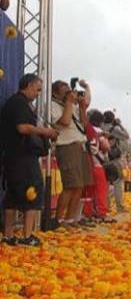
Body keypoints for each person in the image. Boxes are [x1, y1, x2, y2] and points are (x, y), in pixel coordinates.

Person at [1, 74, 59, 246]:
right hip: (23, 157)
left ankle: (9, 235)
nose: (38, 93)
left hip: (13, 156)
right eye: (38, 89)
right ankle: (27, 236)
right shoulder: (19, 103)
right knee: (33, 191)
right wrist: (45, 132)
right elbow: (22, 127)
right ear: (29, 85)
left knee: (12, 195)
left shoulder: (16, 103)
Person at [51, 79, 94, 228]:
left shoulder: (72, 105)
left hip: (80, 146)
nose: (69, 93)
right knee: (70, 185)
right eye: (65, 90)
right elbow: (65, 122)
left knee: (80, 185)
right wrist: (69, 103)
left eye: (69, 90)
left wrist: (81, 107)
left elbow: (84, 124)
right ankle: (58, 220)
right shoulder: (52, 105)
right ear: (56, 93)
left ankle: (70, 219)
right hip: (67, 146)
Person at [102, 111, 129, 213]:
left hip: (103, 158)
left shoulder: (100, 127)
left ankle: (106, 206)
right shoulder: (115, 129)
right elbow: (126, 136)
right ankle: (120, 207)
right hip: (115, 159)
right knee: (118, 183)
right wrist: (120, 125)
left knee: (106, 183)